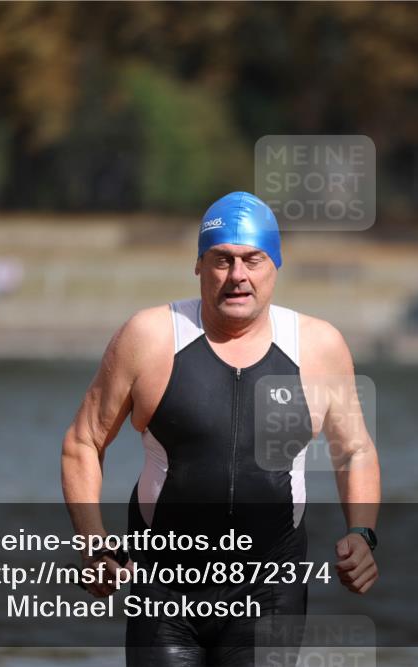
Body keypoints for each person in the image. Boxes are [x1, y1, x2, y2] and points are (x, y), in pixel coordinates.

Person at [61, 191, 381, 666]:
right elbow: (83, 442)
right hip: (164, 590)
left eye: (253, 260)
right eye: (222, 261)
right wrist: (93, 541)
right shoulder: (150, 338)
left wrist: (362, 532)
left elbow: (354, 451)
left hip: (270, 591)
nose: (238, 276)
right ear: (198, 265)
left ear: (275, 264)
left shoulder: (318, 347)